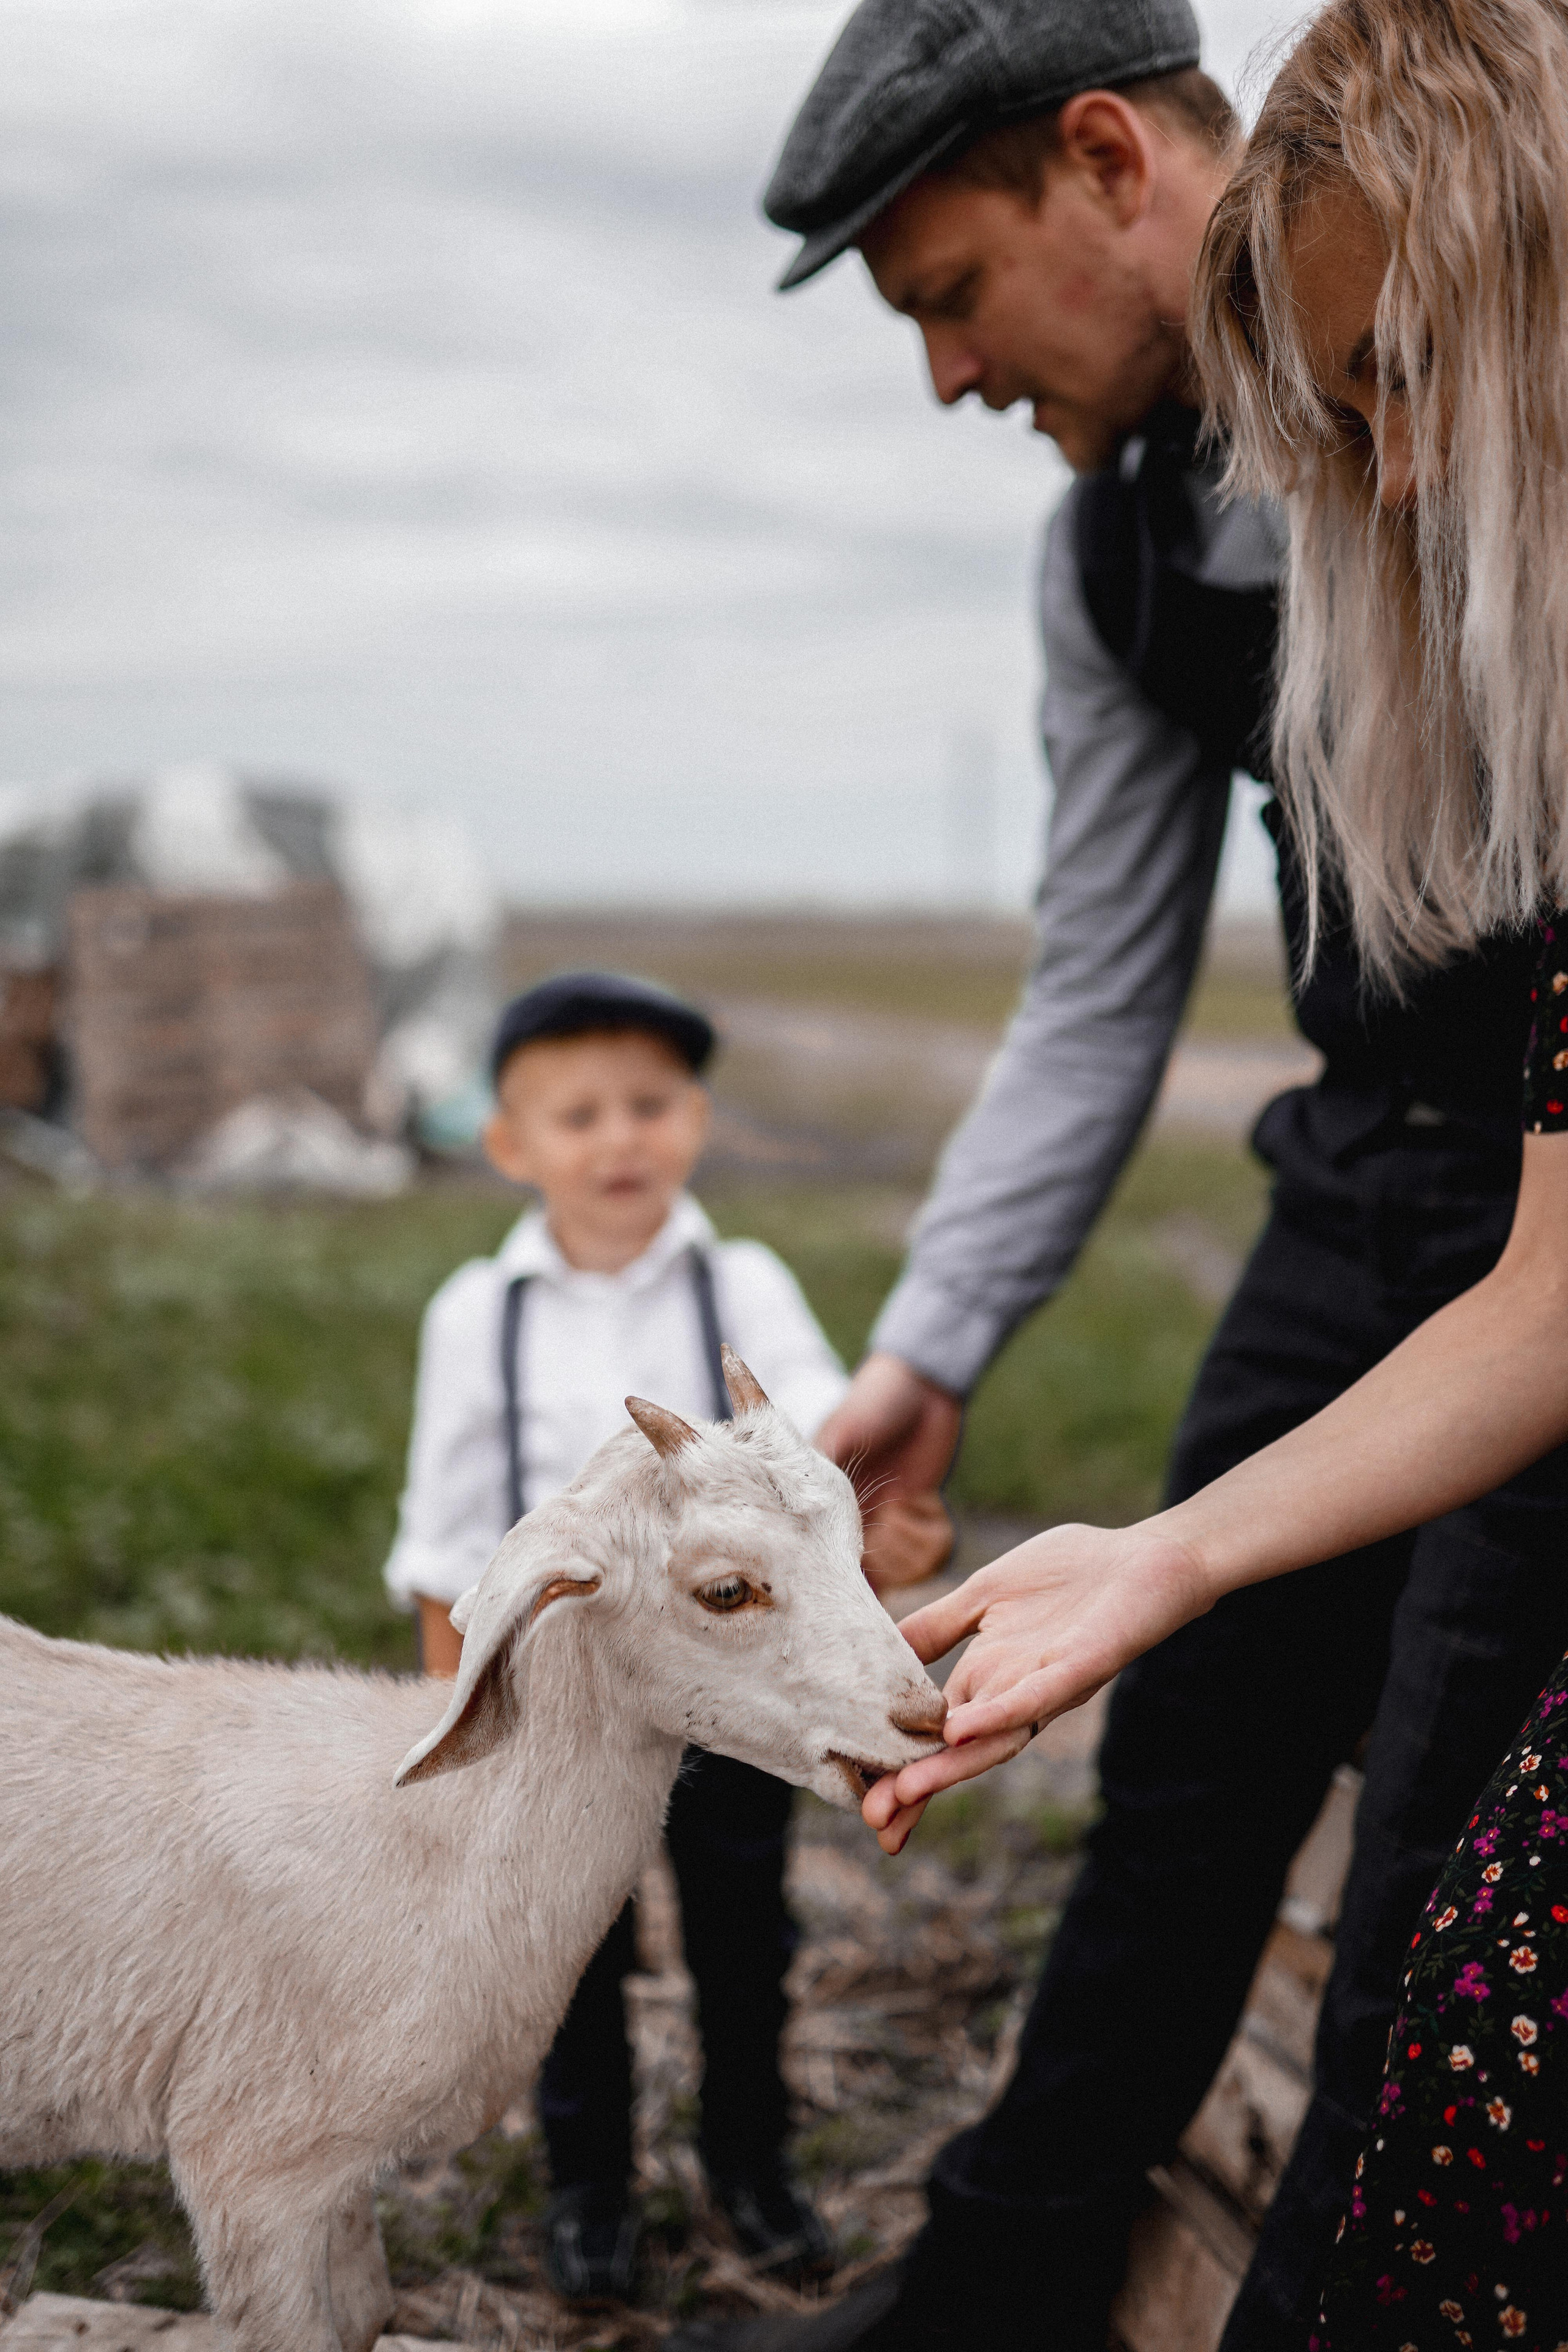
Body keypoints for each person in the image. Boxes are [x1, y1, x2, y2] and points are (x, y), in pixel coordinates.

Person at [669, 2, 1568, 2348]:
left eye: (947, 294)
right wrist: (934, 1354)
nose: (950, 381)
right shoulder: (1116, 565)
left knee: (1448, 1838)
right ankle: (1014, 2264)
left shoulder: (1483, 377)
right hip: (1373, 1169)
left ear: (1100, 161)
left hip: (1542, 1205)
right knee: (1184, 1752)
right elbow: (1093, 993)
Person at [383, 970, 944, 2303]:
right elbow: (446, 1521)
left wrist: (888, 1529)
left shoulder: (739, 1284)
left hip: (730, 1690)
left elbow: (815, 1448)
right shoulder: (480, 1312)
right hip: (571, 1712)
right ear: (511, 1146)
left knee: (743, 1940)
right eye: (578, 1116)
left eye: (648, 1105)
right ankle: (590, 2188)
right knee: (569, 1950)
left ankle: (751, 2164)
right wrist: (447, 1693)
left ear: (694, 1119)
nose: (619, 1139)